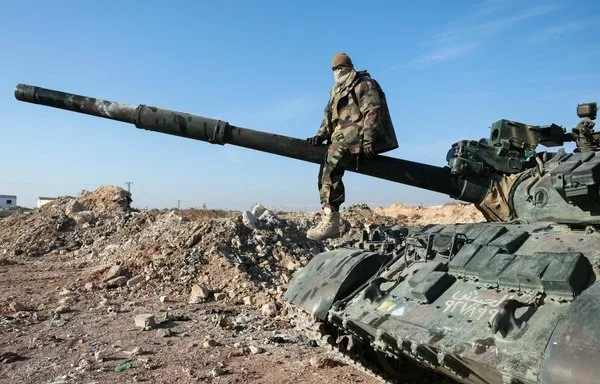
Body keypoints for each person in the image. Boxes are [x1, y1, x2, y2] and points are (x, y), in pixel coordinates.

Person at [306, 52, 399, 241]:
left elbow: (373, 110)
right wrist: (320, 135)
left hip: (355, 134)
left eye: (339, 68)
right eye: (334, 69)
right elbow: (329, 116)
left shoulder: (362, 83)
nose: (337, 72)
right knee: (325, 169)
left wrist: (368, 139)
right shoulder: (336, 90)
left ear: (348, 67)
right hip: (341, 136)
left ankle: (332, 221)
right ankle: (329, 214)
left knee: (331, 167)